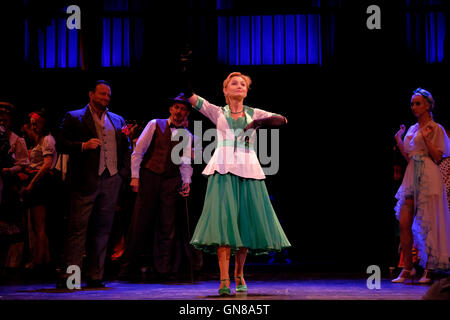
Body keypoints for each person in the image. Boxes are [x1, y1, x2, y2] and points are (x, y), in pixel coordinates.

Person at [184, 72, 291, 295]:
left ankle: (239, 273)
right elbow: (190, 97)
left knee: (243, 223)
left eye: (243, 84)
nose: (239, 86)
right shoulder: (217, 111)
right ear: (225, 90)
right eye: (234, 83)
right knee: (224, 223)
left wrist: (258, 122)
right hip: (222, 170)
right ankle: (224, 279)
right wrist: (185, 71)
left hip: (248, 170)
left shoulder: (254, 112)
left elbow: (282, 120)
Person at [56, 80, 131, 288]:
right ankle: (71, 278)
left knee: (103, 229)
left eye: (108, 95)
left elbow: (127, 148)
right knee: (77, 229)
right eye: (102, 94)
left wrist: (122, 175)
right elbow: (60, 143)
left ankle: (96, 275)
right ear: (91, 95)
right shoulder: (75, 117)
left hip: (111, 180)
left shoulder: (117, 120)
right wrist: (82, 145)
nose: (106, 98)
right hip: (84, 181)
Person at [120, 95, 193, 281]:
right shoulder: (155, 124)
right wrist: (135, 177)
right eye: (176, 107)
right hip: (150, 177)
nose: (179, 111)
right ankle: (128, 268)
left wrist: (186, 182)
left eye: (183, 109)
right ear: (171, 109)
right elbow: (138, 152)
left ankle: (163, 269)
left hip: (170, 181)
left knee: (166, 226)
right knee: (139, 223)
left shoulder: (187, 135)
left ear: (187, 113)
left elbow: (185, 162)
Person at [393, 88, 450, 284]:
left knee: (429, 223)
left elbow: (438, 156)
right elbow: (408, 156)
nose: (414, 107)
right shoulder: (412, 129)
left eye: (418, 103)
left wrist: (426, 138)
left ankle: (429, 268)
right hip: (411, 173)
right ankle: (408, 269)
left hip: (428, 173)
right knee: (404, 222)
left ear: (428, 105)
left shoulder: (435, 128)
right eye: (412, 103)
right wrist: (399, 140)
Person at [20, 109, 58, 275]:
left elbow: (47, 164)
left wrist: (31, 185)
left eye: (37, 123)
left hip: (42, 183)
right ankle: (44, 259)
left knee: (39, 225)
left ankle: (39, 262)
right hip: (38, 182)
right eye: (32, 124)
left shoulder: (48, 139)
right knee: (37, 226)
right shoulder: (39, 139)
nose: (34, 126)